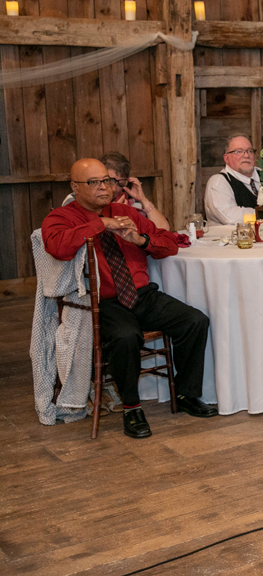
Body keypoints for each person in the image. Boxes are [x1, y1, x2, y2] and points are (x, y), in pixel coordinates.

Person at [42, 158, 217, 439]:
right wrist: (101, 223)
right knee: (125, 336)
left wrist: (141, 241)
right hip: (103, 302)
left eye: (107, 181)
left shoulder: (127, 213)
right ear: (75, 187)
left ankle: (186, 394)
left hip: (141, 295)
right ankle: (132, 408)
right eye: (94, 182)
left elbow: (169, 243)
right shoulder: (61, 217)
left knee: (194, 321)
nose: (104, 187)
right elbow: (57, 246)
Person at [204, 134, 263, 226]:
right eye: (239, 151)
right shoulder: (218, 183)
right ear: (226, 158)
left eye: (250, 151)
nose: (246, 155)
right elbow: (230, 217)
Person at [62, 152, 170, 231]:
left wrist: (143, 200)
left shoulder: (128, 200)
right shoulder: (76, 199)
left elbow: (163, 230)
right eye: (109, 181)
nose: (113, 188)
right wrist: (113, 213)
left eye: (120, 183)